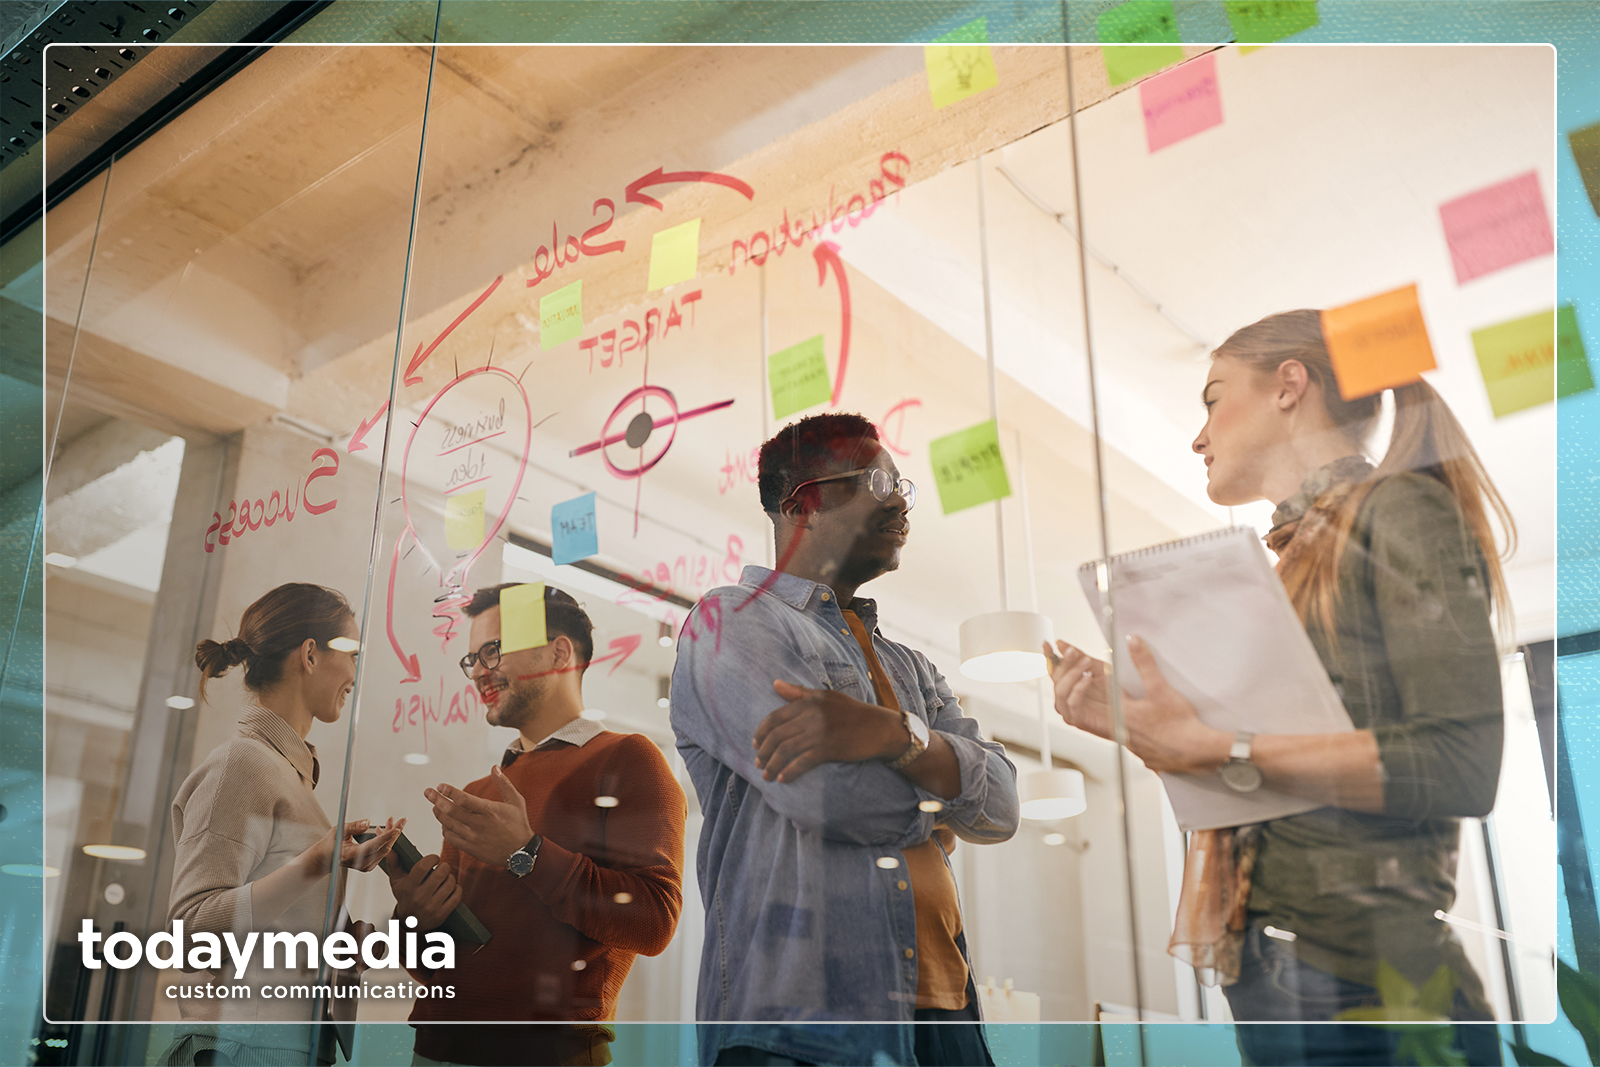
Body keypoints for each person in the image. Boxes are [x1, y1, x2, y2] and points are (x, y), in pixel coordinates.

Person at [1046, 309, 1512, 1066]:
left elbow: (1461, 762)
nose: (1199, 435)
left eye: (1212, 397)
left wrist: (1212, 741)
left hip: (1368, 987)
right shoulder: (1296, 560)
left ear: (1290, 385)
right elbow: (1271, 780)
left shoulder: (1398, 509)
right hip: (1281, 973)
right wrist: (1148, 725)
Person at [671, 412, 1020, 1067]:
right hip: (800, 1025)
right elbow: (829, 796)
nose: (898, 499)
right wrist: (941, 782)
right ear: (805, 503)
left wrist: (895, 734)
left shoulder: (908, 666)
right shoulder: (729, 623)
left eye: (900, 482)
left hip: (945, 1013)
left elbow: (1002, 807)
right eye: (877, 480)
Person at [391, 583, 686, 1067]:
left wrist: (525, 853)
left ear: (560, 651)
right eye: (472, 659)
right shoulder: (483, 793)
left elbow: (654, 922)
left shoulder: (628, 758)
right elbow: (441, 969)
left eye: (494, 650)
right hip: (435, 1048)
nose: (480, 672)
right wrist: (414, 918)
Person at [162, 583, 402, 1067]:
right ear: (310, 655)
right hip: (244, 1050)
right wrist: (315, 864)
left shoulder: (288, 775)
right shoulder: (242, 764)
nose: (355, 673)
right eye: (352, 653)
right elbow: (188, 934)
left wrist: (341, 949)